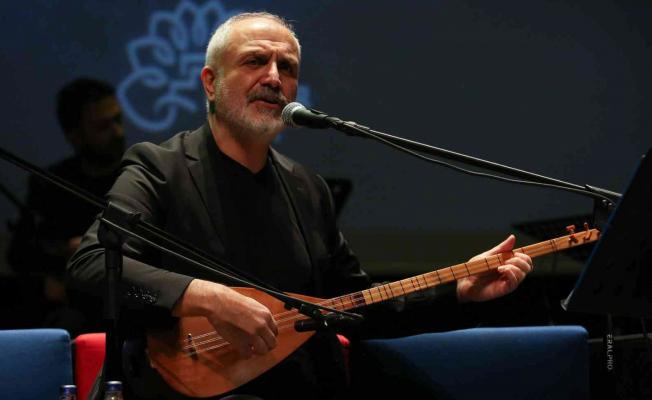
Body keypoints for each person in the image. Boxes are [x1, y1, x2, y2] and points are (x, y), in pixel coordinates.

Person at [67, 12, 533, 399]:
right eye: (255, 61)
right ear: (210, 82)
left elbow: (354, 306)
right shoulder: (158, 167)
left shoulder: (307, 188)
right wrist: (205, 297)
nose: (274, 77)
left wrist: (458, 291)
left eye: (286, 68)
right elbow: (91, 267)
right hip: (181, 387)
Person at [8, 77, 125, 336]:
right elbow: (20, 255)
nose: (118, 132)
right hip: (78, 304)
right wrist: (65, 250)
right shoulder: (50, 185)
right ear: (75, 136)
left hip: (134, 294)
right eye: (103, 127)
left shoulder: (140, 174)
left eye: (118, 120)